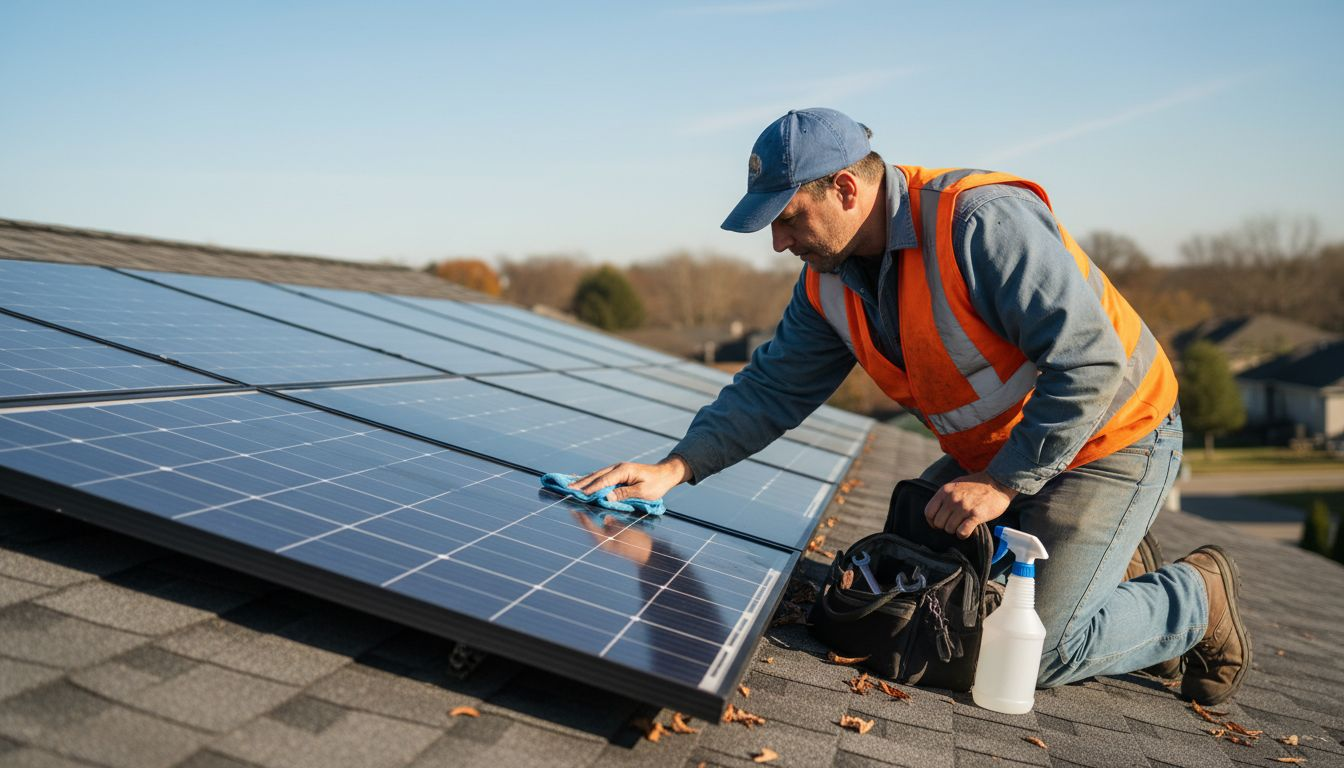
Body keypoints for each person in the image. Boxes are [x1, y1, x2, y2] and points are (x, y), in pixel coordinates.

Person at [571, 108, 1249, 705]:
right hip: (1001, 454)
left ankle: (1194, 597)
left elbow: (1091, 361)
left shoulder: (980, 223)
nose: (778, 244)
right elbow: (772, 389)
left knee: (1028, 651)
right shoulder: (828, 283)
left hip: (1113, 437)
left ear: (845, 187)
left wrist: (1002, 484)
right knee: (904, 602)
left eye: (785, 220)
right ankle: (1096, 557)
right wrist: (676, 468)